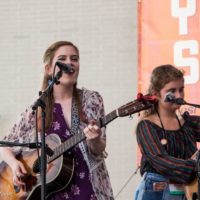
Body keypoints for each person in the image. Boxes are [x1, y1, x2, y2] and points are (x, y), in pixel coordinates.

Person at [0, 41, 114, 200]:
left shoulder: (91, 100)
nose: (70, 63)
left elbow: (99, 148)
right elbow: (5, 145)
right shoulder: (38, 109)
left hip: (88, 187)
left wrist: (94, 139)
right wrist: (14, 165)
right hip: (52, 193)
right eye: (62, 59)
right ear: (48, 69)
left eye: (74, 59)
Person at [134, 64, 200, 200]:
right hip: (155, 193)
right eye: (172, 91)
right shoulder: (146, 125)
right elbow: (161, 161)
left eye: (181, 89)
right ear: (156, 94)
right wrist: (195, 166)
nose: (179, 95)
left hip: (186, 193)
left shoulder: (187, 123)